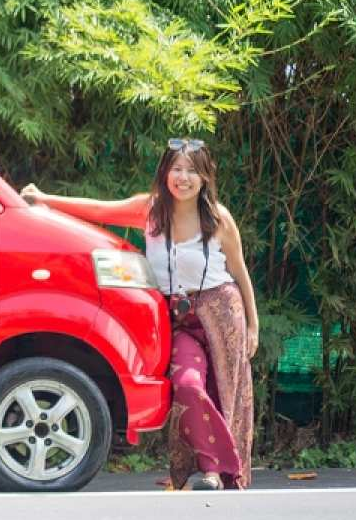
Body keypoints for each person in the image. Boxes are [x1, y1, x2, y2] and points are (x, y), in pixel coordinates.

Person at [20, 138, 258, 491]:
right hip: (178, 317)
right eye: (176, 169)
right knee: (188, 386)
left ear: (205, 177)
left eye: (192, 171)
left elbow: (239, 272)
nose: (183, 178)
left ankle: (213, 474)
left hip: (222, 312)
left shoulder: (219, 218)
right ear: (165, 173)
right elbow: (99, 211)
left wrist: (253, 325)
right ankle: (220, 465)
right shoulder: (151, 210)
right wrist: (44, 200)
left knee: (224, 391)